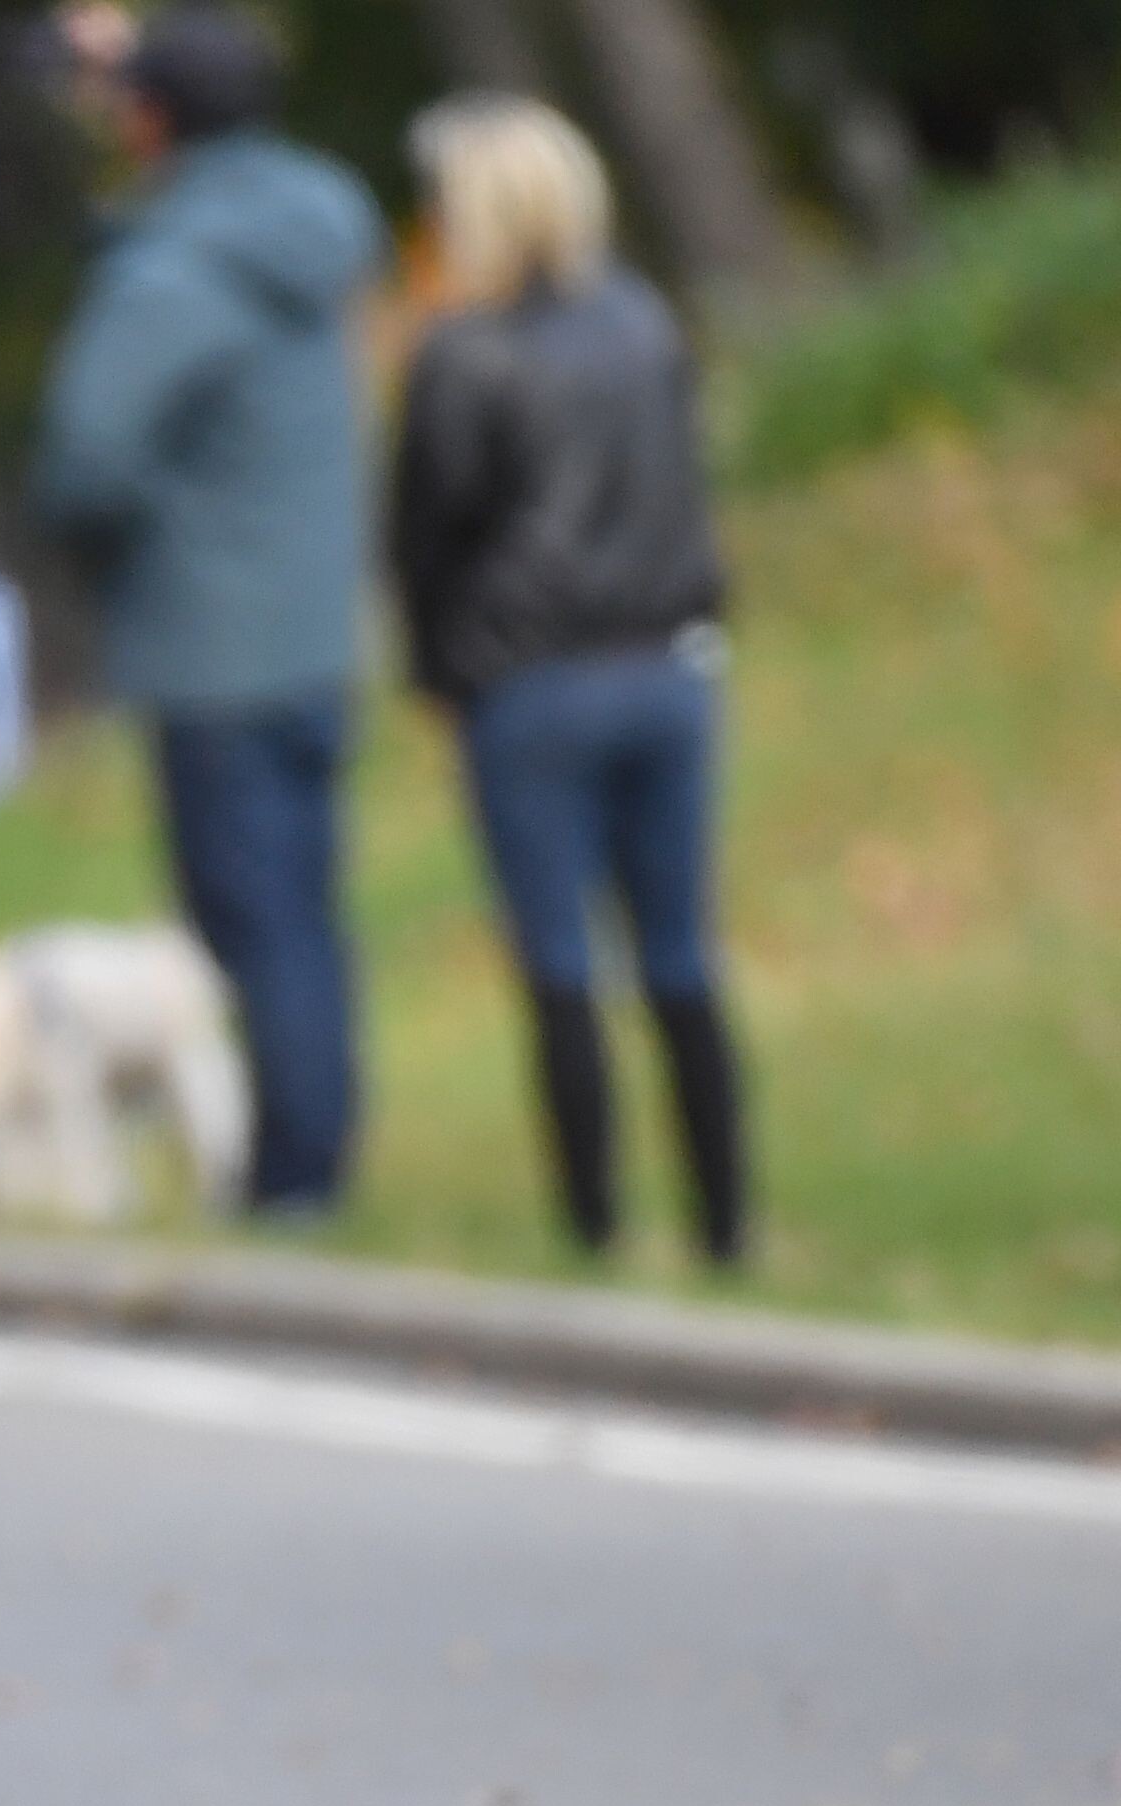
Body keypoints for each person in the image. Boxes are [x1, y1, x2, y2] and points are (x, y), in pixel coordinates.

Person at [33, 5, 384, 1215]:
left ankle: (289, 1179)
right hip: (317, 629)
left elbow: (85, 458)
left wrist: (113, 547)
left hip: (207, 642)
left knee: (246, 919)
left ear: (150, 120)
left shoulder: (171, 267)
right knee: (307, 908)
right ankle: (320, 1147)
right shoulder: (315, 228)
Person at [391, 95, 745, 1265]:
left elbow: (425, 535)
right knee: (680, 953)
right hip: (667, 666)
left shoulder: (459, 353)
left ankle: (594, 1223)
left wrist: (444, 667)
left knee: (556, 961)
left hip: (531, 680)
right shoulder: (643, 325)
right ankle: (723, 1223)